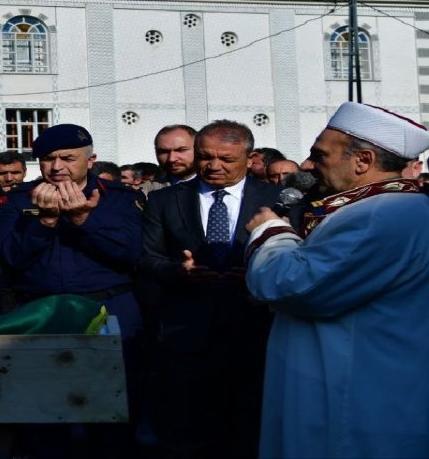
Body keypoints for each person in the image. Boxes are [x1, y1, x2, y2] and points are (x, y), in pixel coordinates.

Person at [244, 103, 429, 458]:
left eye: (320, 154)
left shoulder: (381, 214)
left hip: (356, 394)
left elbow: (294, 286)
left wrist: (271, 233)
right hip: (363, 381)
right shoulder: (386, 209)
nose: (309, 165)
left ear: (362, 161)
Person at [0, 124, 144, 458]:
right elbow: (9, 258)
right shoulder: (18, 200)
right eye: (48, 159)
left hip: (108, 310)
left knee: (111, 409)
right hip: (41, 313)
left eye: (68, 158)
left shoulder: (121, 198)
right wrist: (43, 222)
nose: (58, 166)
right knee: (44, 413)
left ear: (90, 161)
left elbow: (130, 254)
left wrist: (82, 222)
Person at [136, 120, 277, 459]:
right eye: (205, 157)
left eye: (226, 159)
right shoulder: (166, 201)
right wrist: (178, 272)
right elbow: (145, 259)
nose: (214, 166)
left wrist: (259, 272)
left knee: (250, 428)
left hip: (255, 331)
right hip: (185, 335)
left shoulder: (276, 200)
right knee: (187, 431)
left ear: (250, 157)